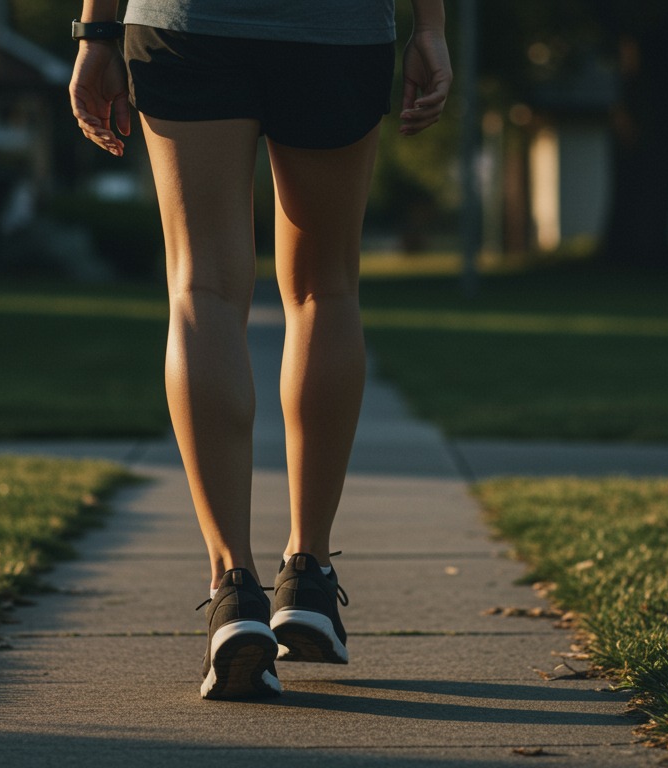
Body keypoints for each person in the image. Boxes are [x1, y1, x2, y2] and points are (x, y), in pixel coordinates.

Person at [70, 0, 451, 699]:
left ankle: (233, 593)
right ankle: (306, 574)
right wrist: (430, 29)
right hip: (335, 31)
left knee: (202, 290)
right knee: (324, 290)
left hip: (189, 25)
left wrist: (96, 30)